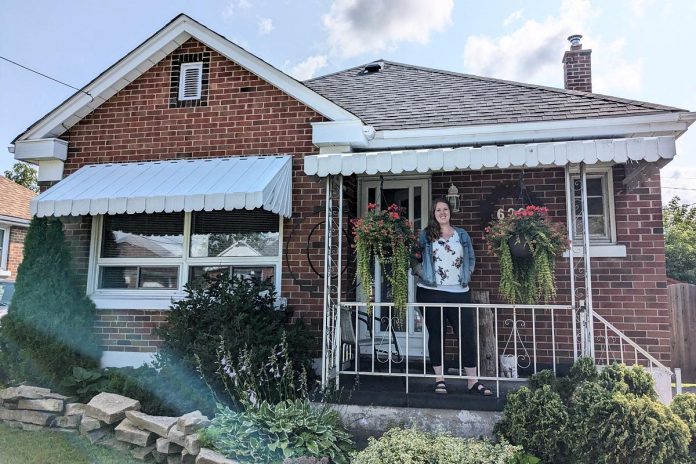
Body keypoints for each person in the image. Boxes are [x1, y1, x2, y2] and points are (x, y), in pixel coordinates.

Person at [414, 198, 492, 395]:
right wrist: (423, 274)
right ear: (433, 214)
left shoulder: (462, 235)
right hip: (431, 292)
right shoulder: (425, 235)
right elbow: (413, 259)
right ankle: (439, 379)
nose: (442, 212)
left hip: (459, 292)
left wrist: (467, 274)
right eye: (438, 210)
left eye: (445, 209)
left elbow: (471, 258)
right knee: (437, 334)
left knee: (466, 335)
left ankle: (472, 381)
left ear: (450, 212)